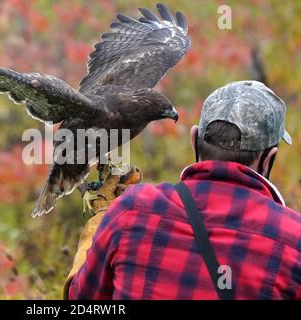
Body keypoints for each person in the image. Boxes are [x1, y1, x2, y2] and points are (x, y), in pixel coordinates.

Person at [64, 80, 301, 300]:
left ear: (194, 139)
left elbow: (81, 299)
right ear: (268, 159)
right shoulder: (293, 240)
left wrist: (99, 228)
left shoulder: (131, 210)